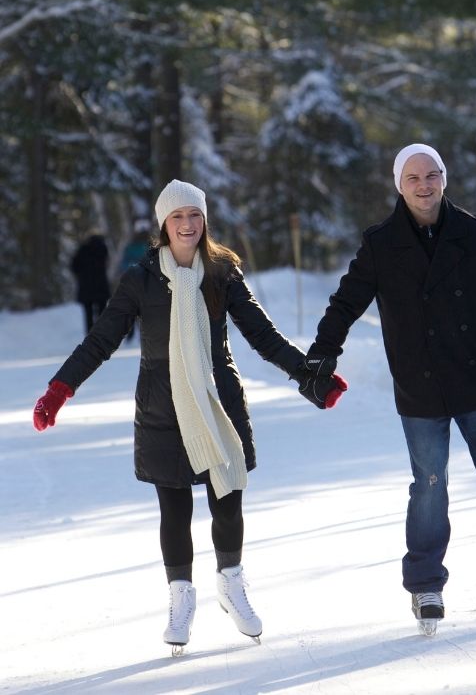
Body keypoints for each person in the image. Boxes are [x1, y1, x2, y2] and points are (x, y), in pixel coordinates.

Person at [33, 179, 347, 653]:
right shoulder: (139, 279)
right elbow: (101, 340)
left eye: (194, 216)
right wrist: (60, 389)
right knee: (174, 509)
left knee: (228, 500)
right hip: (164, 404)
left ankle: (231, 583)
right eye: (177, 217)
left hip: (218, 399)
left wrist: (309, 377)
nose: (187, 224)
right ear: (164, 224)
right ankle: (181, 598)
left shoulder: (222, 273)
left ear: (204, 221)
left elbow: (262, 334)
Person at [296, 143, 476, 634]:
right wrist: (324, 351)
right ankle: (425, 585)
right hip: (421, 386)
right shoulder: (381, 244)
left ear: (444, 178)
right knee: (430, 487)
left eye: (432, 174)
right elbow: (346, 300)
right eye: (414, 177)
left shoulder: (475, 233)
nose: (424, 184)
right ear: (399, 183)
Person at [116, 219, 152, 340]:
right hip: (143, 281)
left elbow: (124, 264)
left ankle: (135, 331)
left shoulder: (133, 246)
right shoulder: (146, 246)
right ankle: (137, 331)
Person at [70, 232, 111, 334]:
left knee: (88, 314)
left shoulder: (82, 250)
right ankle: (101, 334)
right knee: (102, 313)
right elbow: (106, 263)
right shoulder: (103, 249)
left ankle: (90, 336)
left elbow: (74, 266)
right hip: (101, 287)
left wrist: (81, 276)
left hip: (86, 287)